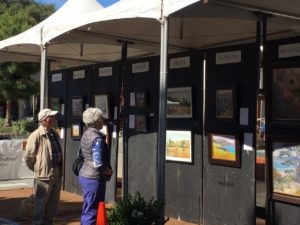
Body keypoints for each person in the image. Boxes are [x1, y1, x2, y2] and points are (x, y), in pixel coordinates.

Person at [24, 108, 63, 225]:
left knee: (53, 203)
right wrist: (38, 169)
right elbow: (29, 157)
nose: (54, 119)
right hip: (43, 175)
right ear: (44, 120)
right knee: (40, 205)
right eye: (51, 117)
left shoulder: (54, 133)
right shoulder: (36, 135)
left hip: (56, 172)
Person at [79, 107, 113, 225]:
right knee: (92, 209)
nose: (103, 121)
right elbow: (98, 162)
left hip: (85, 174)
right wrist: (108, 171)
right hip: (93, 177)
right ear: (96, 121)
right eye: (101, 118)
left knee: (88, 207)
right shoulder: (97, 138)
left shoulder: (86, 134)